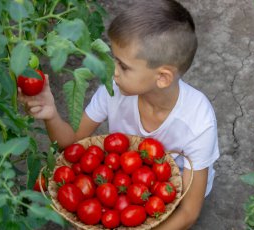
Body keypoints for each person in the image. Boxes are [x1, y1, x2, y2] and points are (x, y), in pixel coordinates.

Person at [19, 0, 220, 229]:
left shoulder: (198, 121)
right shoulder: (112, 90)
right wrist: (50, 113)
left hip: (177, 190)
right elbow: (71, 144)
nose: (111, 70)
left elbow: (188, 213)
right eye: (113, 58)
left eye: (123, 66)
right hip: (126, 185)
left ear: (162, 77)